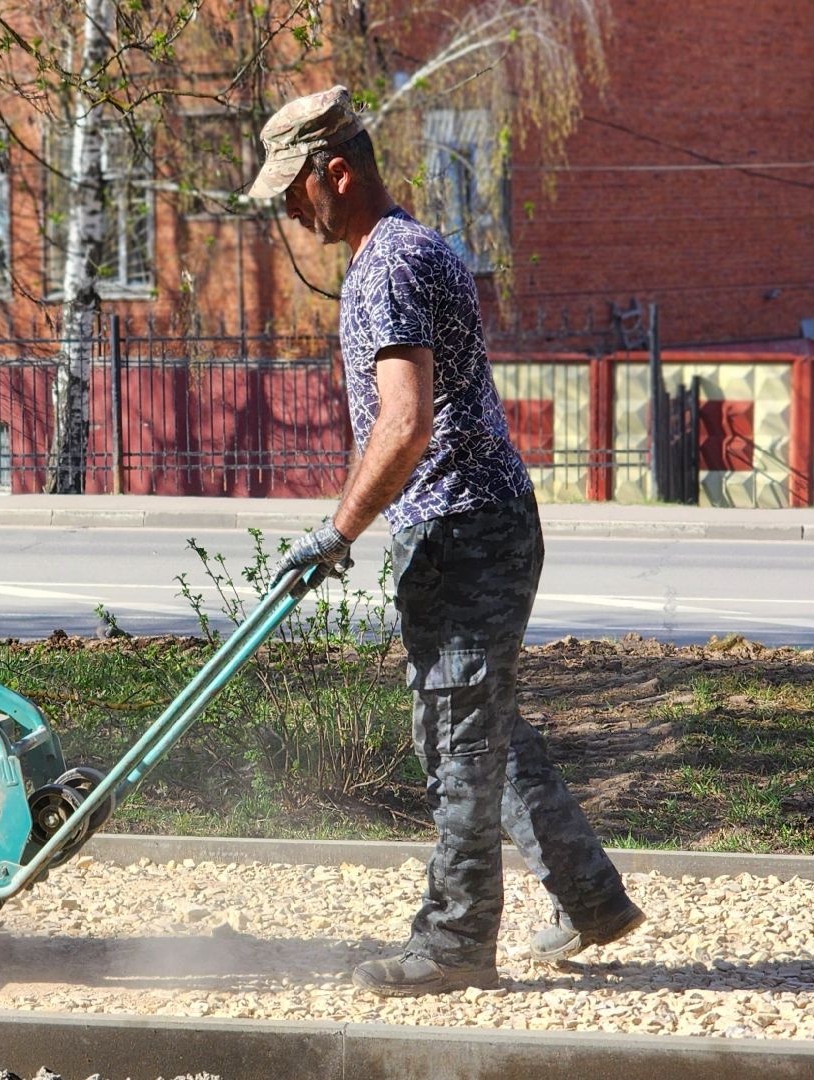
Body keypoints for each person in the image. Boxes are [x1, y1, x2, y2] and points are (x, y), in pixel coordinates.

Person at [255, 87, 643, 997]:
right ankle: (590, 897)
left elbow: (404, 423)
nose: (288, 211)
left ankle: (454, 943)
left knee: (457, 741)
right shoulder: (407, 248)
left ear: (334, 173)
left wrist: (336, 532)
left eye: (292, 190)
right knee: (478, 723)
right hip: (474, 521)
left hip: (461, 527)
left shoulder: (391, 264)